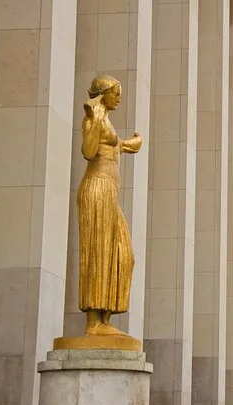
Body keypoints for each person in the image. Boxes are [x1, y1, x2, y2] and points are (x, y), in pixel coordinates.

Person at [77, 74, 142, 336]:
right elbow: (88, 151)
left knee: (123, 255)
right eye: (116, 93)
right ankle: (94, 322)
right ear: (104, 94)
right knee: (99, 251)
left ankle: (104, 318)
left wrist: (127, 145)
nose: (120, 98)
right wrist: (94, 116)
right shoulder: (93, 118)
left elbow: (109, 147)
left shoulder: (105, 120)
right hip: (97, 188)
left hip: (108, 192)